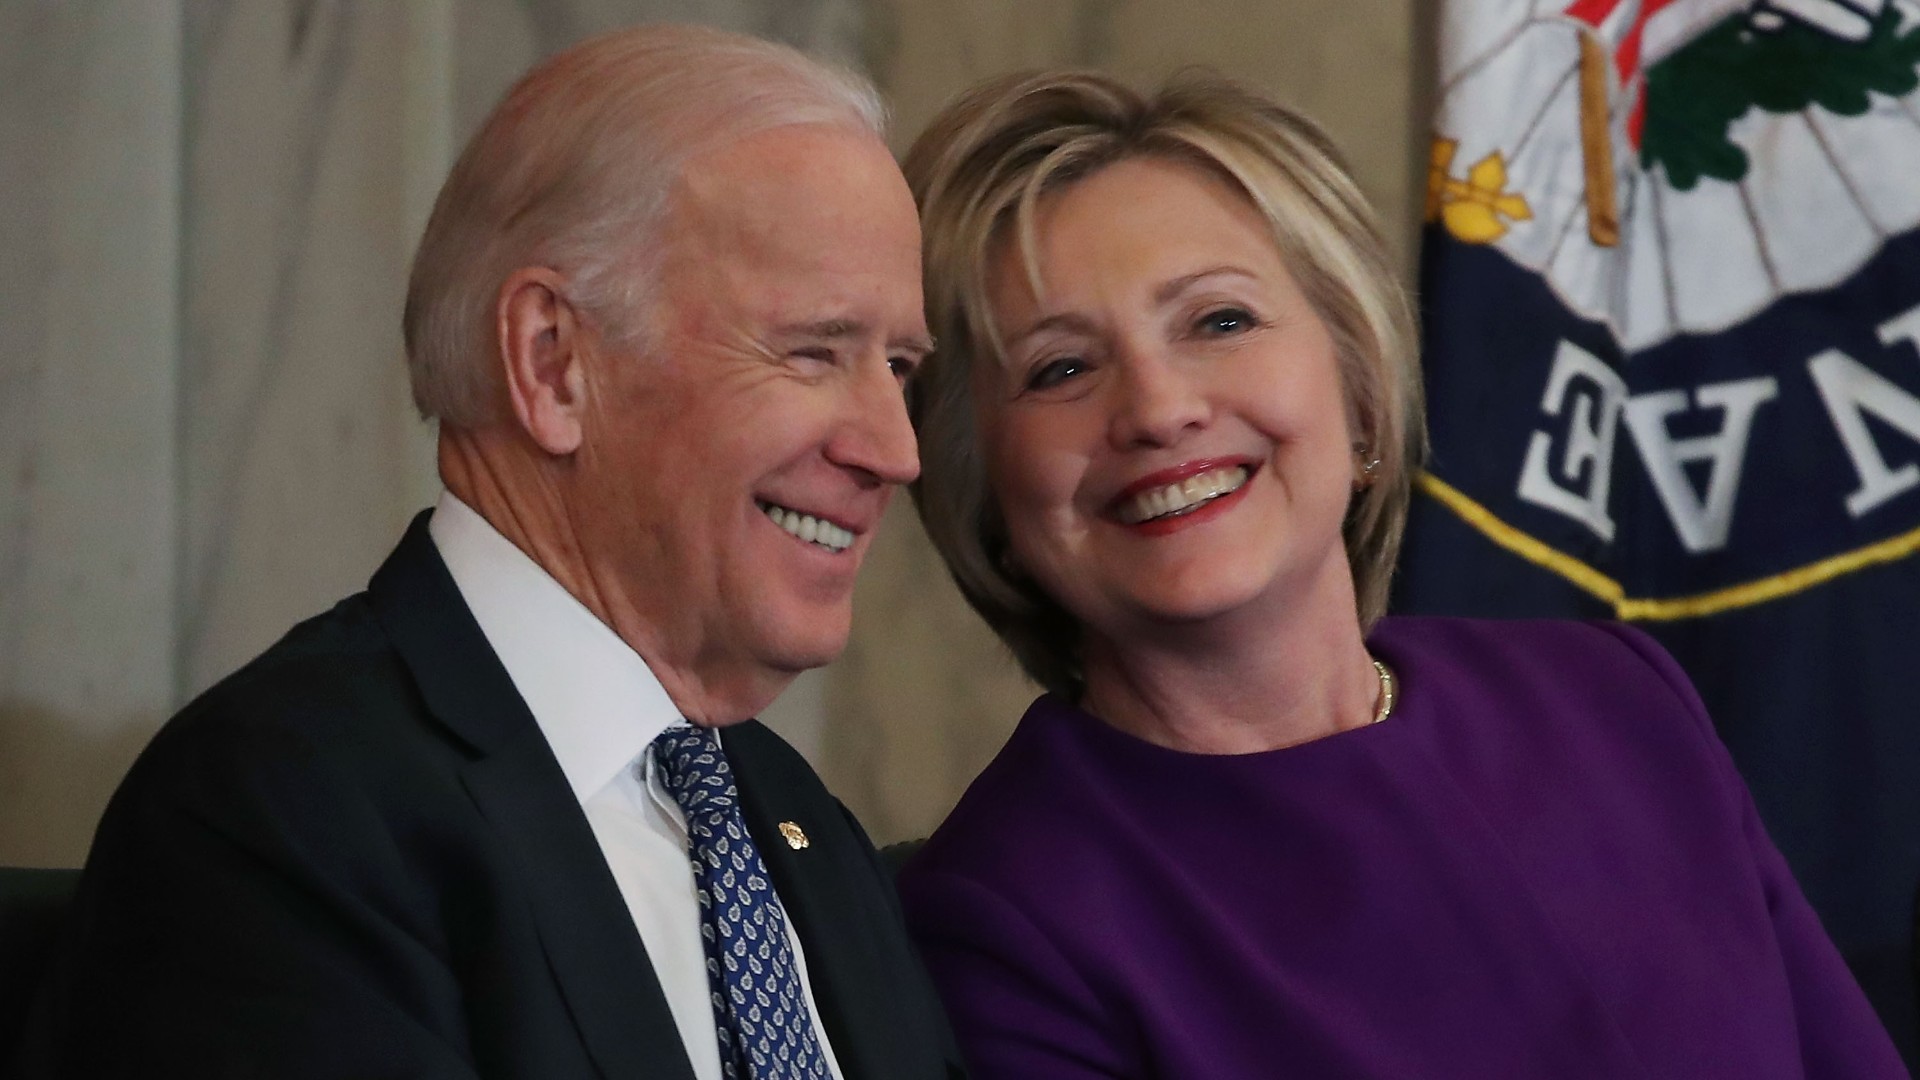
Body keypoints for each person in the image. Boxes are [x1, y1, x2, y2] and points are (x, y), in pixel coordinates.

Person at [895, 69, 1908, 1078]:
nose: (1159, 409)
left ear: (1362, 394)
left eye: (1219, 321)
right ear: (987, 500)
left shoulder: (1616, 699)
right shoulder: (1005, 922)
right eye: (1059, 369)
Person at [18, 25, 963, 1080]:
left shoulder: (793, 827)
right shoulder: (282, 817)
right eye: (813, 352)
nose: (896, 450)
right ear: (555, 365)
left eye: (898, 365)